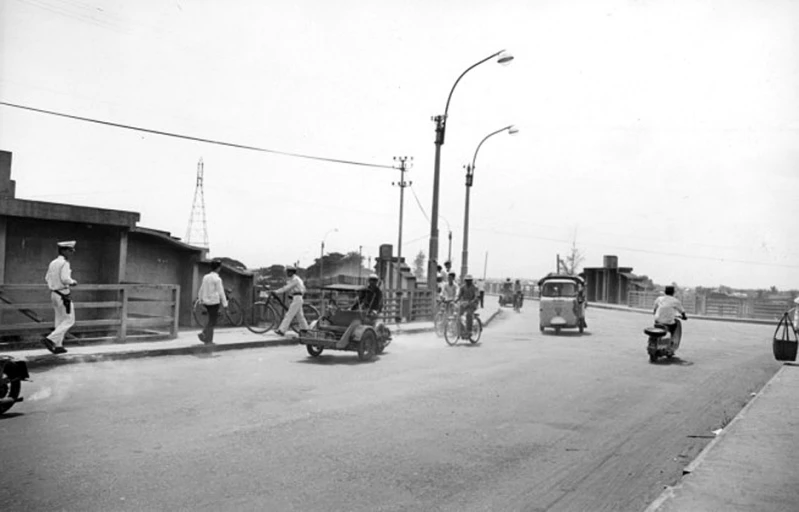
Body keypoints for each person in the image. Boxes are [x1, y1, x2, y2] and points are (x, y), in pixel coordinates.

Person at [42, 240, 78, 354]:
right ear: (63, 250)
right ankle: (50, 339)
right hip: (63, 294)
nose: (72, 252)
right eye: (70, 250)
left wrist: (54, 285)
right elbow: (65, 279)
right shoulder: (65, 263)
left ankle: (58, 345)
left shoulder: (53, 263)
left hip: (54, 293)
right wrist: (72, 282)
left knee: (59, 320)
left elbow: (47, 278)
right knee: (69, 320)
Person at [197, 259, 228, 344]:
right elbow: (221, 292)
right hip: (214, 302)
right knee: (212, 321)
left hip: (206, 302)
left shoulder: (205, 277)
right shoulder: (217, 279)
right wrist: (225, 304)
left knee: (211, 320)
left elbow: (201, 289)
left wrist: (200, 299)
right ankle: (204, 333)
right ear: (218, 268)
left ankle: (208, 340)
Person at [274, 265, 308, 336]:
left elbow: (286, 288)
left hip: (297, 298)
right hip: (297, 298)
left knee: (289, 315)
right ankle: (305, 330)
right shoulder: (295, 279)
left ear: (292, 272)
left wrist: (276, 291)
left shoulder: (295, 279)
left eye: (288, 272)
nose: (287, 273)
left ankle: (282, 330)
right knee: (300, 316)